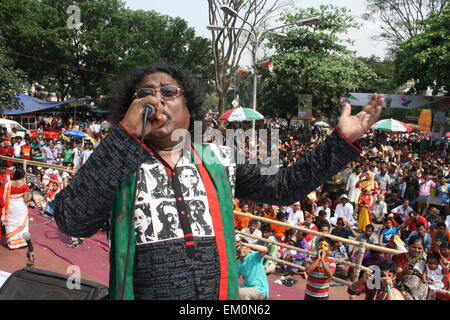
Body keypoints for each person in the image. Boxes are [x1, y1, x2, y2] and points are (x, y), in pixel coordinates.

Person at [53, 63, 383, 300]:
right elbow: (73, 220)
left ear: (189, 106)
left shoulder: (220, 158)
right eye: (144, 95)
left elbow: (286, 186)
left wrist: (340, 140)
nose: (156, 101)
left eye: (168, 92)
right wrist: (125, 135)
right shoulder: (117, 160)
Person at [1, 168, 31, 249]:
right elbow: (26, 199)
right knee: (22, 223)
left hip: (10, 205)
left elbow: (4, 195)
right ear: (22, 176)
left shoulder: (8, 184)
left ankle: (12, 243)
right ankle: (22, 242)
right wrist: (30, 197)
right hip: (20, 206)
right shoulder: (24, 185)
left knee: (11, 223)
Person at [395, 235, 428, 300]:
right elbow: (398, 276)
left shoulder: (426, 259)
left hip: (421, 294)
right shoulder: (401, 257)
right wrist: (404, 272)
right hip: (405, 293)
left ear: (423, 248)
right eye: (414, 247)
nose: (416, 250)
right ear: (408, 245)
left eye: (419, 248)